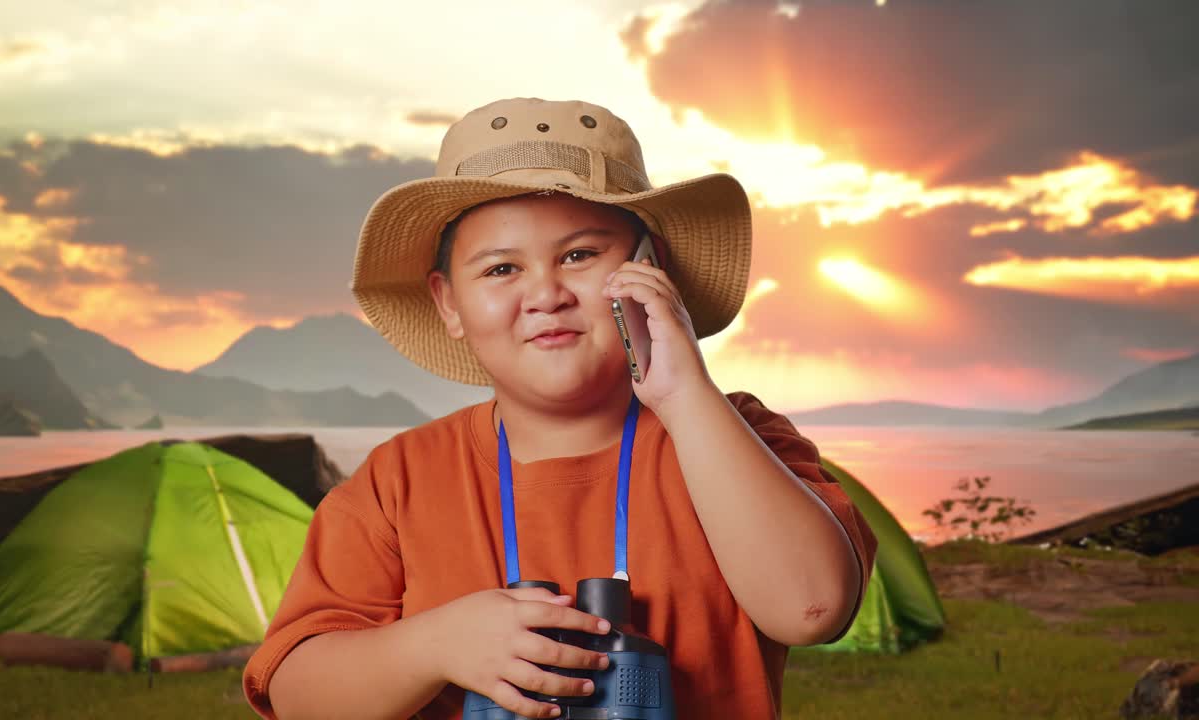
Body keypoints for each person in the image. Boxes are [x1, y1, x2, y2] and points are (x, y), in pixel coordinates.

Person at [241, 97, 878, 720]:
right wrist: (434, 645)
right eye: (499, 270)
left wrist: (686, 397)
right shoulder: (398, 482)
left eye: (579, 256)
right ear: (449, 304)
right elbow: (296, 697)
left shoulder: (738, 437)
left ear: (652, 269)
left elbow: (812, 609)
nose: (545, 293)